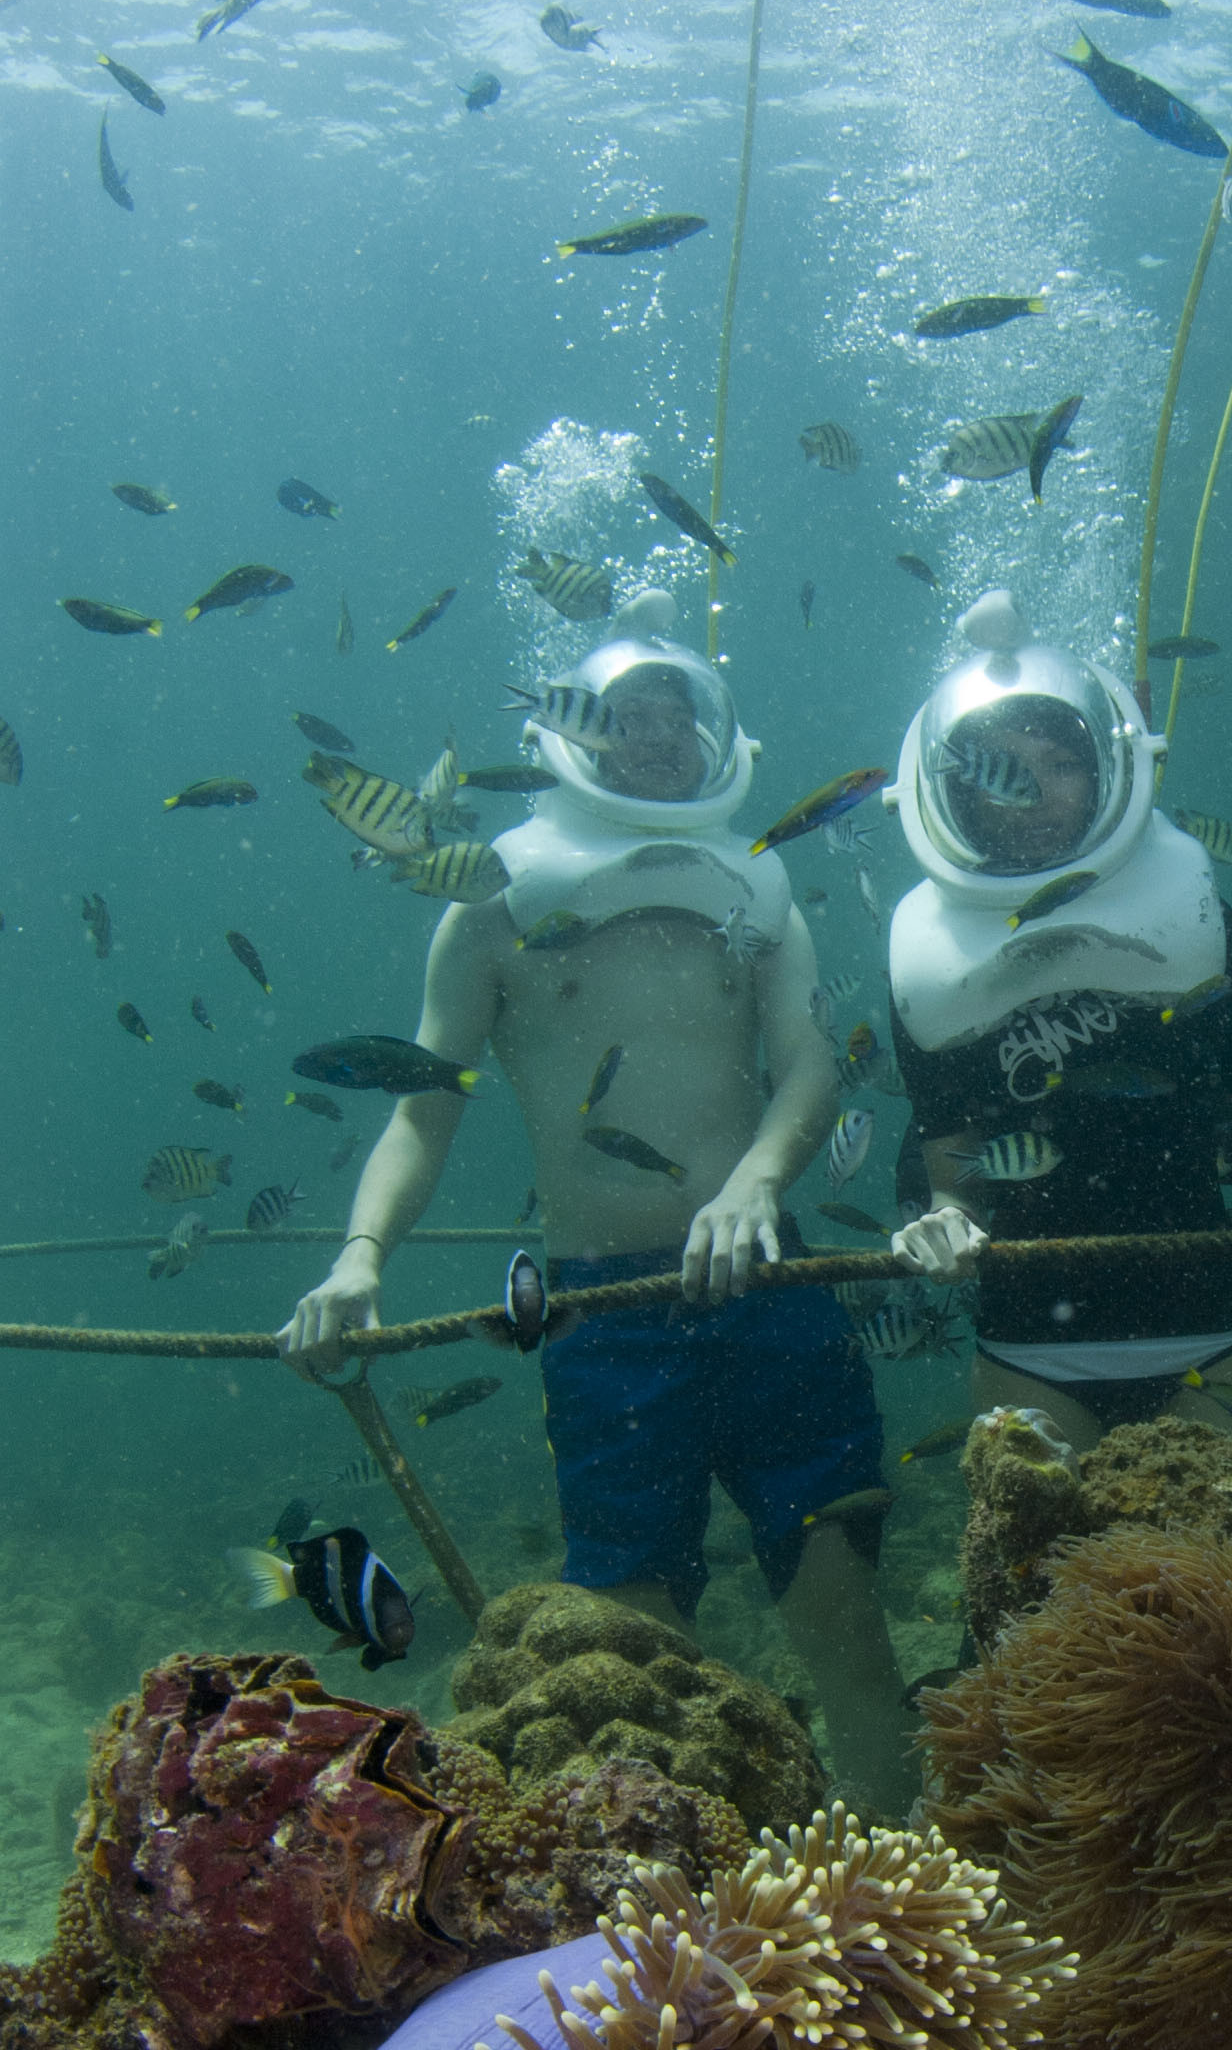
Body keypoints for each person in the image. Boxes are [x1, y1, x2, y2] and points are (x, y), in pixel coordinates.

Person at [277, 610, 912, 1812]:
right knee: (632, 1642)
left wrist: (755, 1183)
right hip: (605, 1311)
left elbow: (812, 1065)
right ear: (573, 733)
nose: (658, 739)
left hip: (772, 1281)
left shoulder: (761, 878)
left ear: (719, 733)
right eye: (627, 718)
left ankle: (903, 1880)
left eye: (682, 716)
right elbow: (421, 1107)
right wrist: (360, 1258)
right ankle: (681, 1923)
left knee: (844, 1617)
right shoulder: (489, 901)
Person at [882, 600, 1232, 1449]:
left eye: (1062, 763)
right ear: (952, 788)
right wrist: (941, 1219)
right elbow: (955, 1178)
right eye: (1003, 769)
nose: (1034, 794)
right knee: (1038, 1576)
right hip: (1027, 1345)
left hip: (1208, 1328)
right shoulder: (929, 957)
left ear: (1105, 774)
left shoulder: (1200, 921)